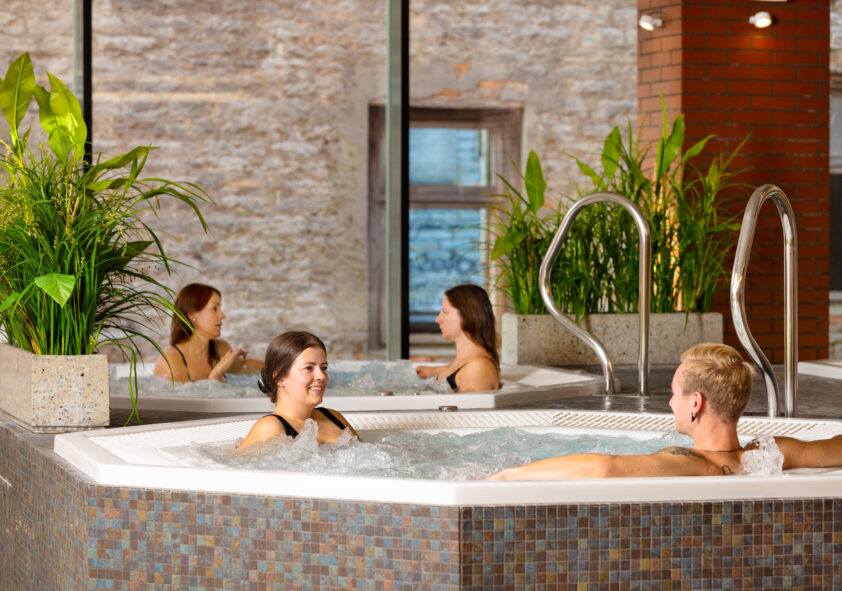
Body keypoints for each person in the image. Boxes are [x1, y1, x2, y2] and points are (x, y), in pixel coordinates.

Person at [489, 343, 842, 480]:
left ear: (696, 403)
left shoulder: (690, 462)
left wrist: (506, 475)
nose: (671, 403)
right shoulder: (771, 453)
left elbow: (604, 467)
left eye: (674, 393)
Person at [238, 331, 358, 448]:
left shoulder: (334, 417)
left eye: (323, 368)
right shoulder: (271, 427)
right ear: (279, 378)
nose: (321, 376)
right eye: (308, 368)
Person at [153, 283, 263, 382]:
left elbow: (244, 366)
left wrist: (273, 369)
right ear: (191, 315)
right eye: (214, 308)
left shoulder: (219, 349)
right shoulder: (171, 362)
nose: (222, 315)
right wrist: (216, 374)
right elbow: (197, 399)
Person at [414, 284, 501, 393]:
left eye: (445, 312)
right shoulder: (467, 362)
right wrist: (434, 370)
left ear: (466, 316)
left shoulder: (478, 369)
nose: (438, 319)